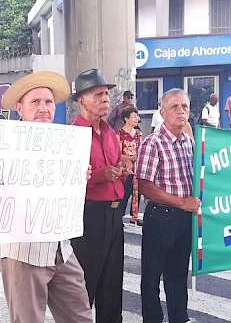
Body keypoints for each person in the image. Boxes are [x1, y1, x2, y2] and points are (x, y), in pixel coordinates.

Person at [0, 71, 92, 323]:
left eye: (48, 102)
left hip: (62, 248)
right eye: (35, 102)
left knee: (80, 316)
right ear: (20, 108)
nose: (43, 108)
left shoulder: (65, 144)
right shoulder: (3, 146)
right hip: (23, 252)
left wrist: (78, 175)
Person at [135, 88, 199, 323]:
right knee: (151, 279)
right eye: (174, 107)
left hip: (184, 219)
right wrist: (182, 202)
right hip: (160, 218)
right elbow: (145, 186)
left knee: (178, 275)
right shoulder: (153, 143)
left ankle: (179, 319)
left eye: (184, 106)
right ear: (162, 112)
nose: (181, 111)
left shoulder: (189, 142)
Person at [70, 68, 125, 323]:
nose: (105, 99)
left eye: (106, 94)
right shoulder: (72, 136)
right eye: (98, 95)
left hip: (115, 215)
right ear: (81, 100)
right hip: (89, 215)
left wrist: (121, 170)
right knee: (85, 287)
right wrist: (103, 175)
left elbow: (115, 169)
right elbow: (68, 182)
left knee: (112, 287)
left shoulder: (111, 133)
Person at [118, 107, 142, 224]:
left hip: (137, 168)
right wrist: (131, 158)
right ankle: (119, 217)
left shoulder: (138, 134)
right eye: (133, 116)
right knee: (124, 193)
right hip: (125, 169)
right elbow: (117, 154)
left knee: (137, 192)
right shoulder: (119, 134)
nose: (136, 119)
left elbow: (141, 149)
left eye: (136, 116)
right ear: (126, 119)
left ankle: (135, 216)